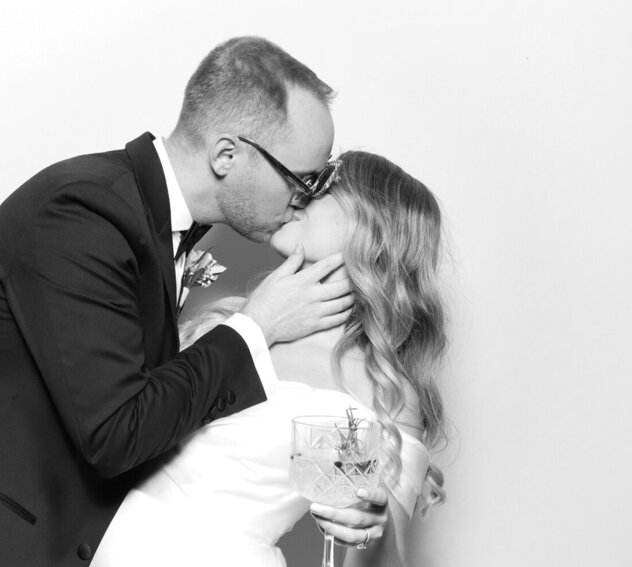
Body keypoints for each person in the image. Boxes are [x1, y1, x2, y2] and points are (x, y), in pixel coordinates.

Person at [0, 37, 357, 567]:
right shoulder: (83, 212)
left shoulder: (152, 225)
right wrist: (257, 325)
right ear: (226, 155)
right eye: (302, 178)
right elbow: (116, 433)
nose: (305, 198)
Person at [94, 150, 448, 567]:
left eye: (324, 188)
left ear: (374, 228)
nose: (298, 194)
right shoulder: (227, 319)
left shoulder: (382, 387)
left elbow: (377, 559)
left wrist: (376, 523)